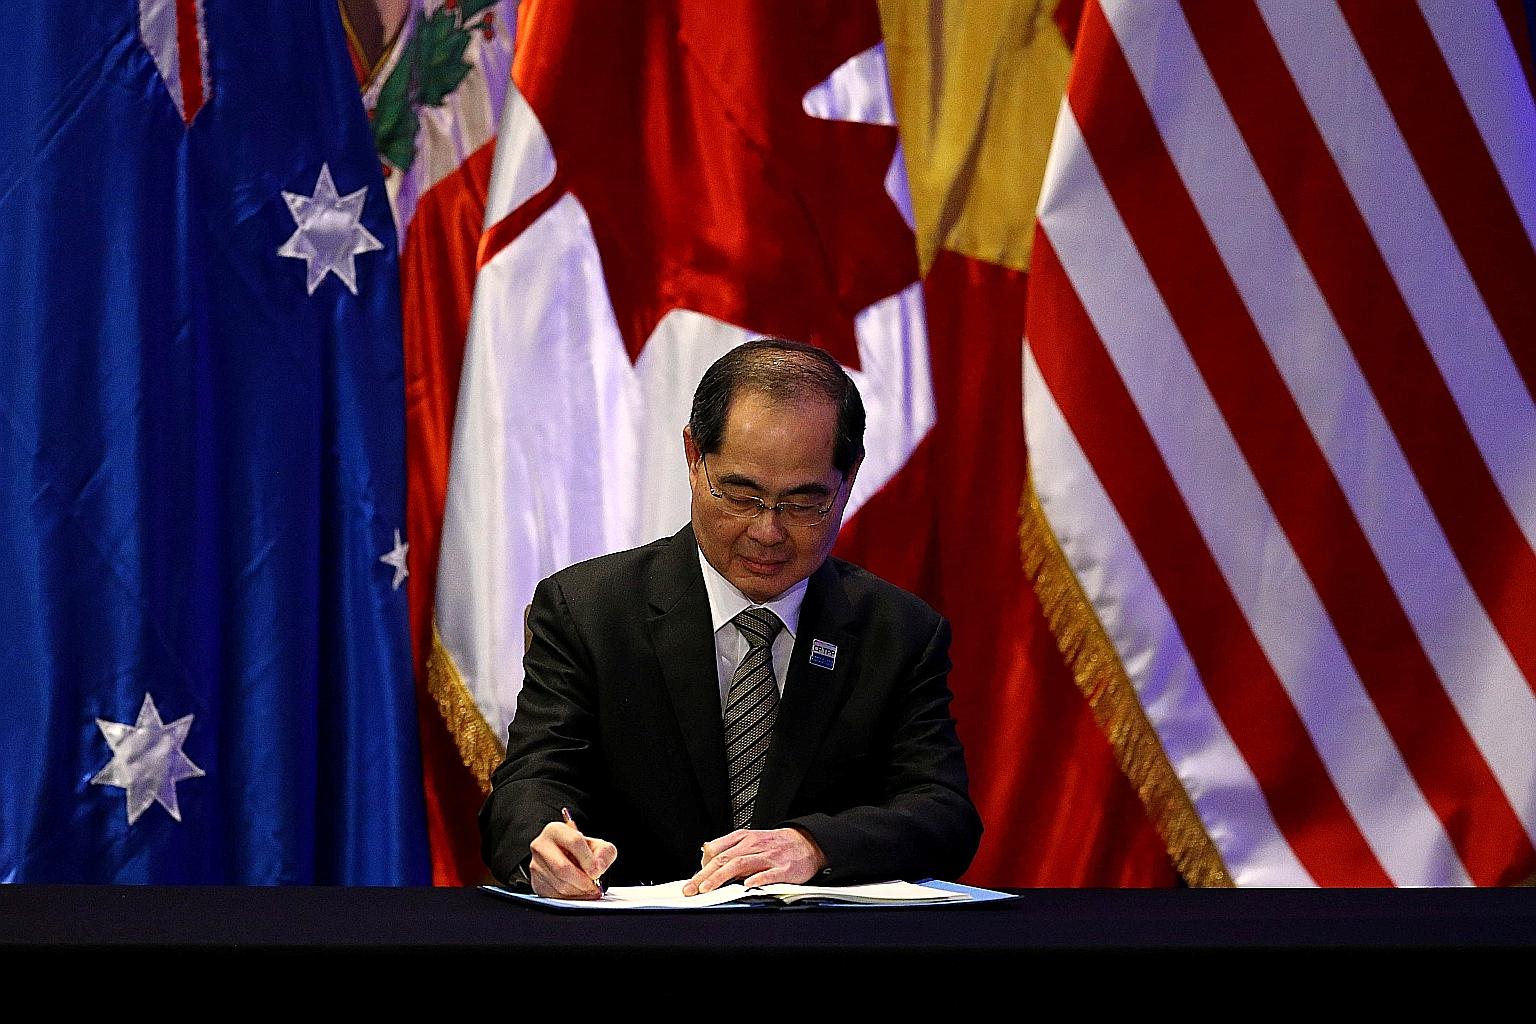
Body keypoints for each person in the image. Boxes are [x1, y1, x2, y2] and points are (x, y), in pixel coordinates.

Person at [479, 337, 982, 898]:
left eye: (802, 504)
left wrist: (816, 845)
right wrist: (543, 845)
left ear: (849, 479)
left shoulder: (898, 632)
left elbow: (944, 815)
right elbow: (531, 780)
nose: (767, 531)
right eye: (741, 497)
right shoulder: (590, 612)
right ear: (695, 458)